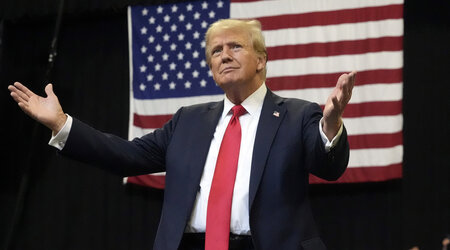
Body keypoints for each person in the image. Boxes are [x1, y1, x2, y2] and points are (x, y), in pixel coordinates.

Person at [8, 19, 356, 250]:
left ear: (261, 59)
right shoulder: (188, 121)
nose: (224, 56)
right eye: (216, 52)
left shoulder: (297, 114)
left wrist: (331, 124)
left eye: (235, 46)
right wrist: (61, 124)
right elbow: (127, 156)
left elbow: (329, 165)